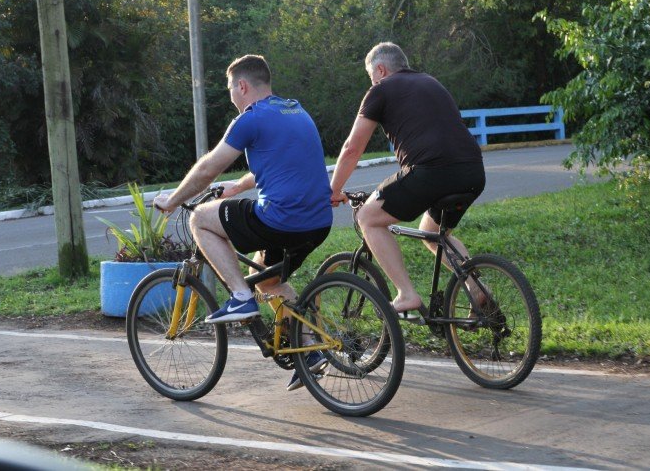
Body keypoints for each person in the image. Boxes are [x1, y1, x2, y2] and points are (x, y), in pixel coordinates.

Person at [154, 54, 332, 390]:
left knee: (200, 219)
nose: (231, 96)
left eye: (230, 89)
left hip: (282, 219)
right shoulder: (294, 109)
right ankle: (309, 350)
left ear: (243, 85)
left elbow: (208, 169)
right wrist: (239, 186)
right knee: (265, 276)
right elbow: (281, 162)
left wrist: (173, 201)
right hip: (318, 222)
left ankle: (239, 297)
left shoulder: (250, 119)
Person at [329, 42, 486, 314]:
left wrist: (334, 190)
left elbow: (352, 148)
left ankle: (406, 295)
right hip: (472, 170)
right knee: (433, 233)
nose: (372, 81)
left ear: (380, 69)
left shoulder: (380, 90)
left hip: (431, 171)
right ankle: (476, 287)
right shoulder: (430, 82)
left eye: (371, 76)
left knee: (367, 218)